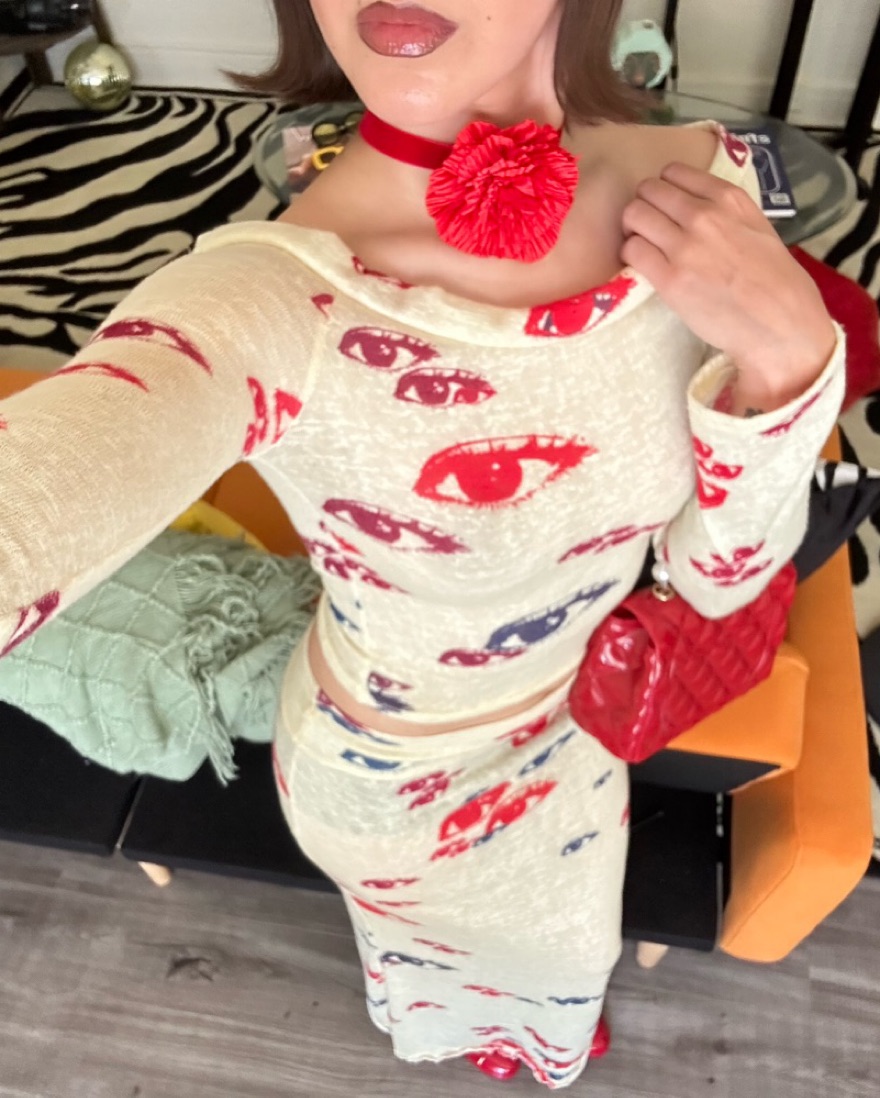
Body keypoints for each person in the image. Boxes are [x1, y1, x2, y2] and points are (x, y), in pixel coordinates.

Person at [0, 0, 845, 1088]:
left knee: (571, 945)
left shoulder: (705, 194)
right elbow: (59, 472)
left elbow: (719, 576)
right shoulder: (270, 299)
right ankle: (457, 1028)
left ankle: (532, 1033)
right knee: (451, 952)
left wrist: (791, 363)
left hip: (579, 728)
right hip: (389, 784)